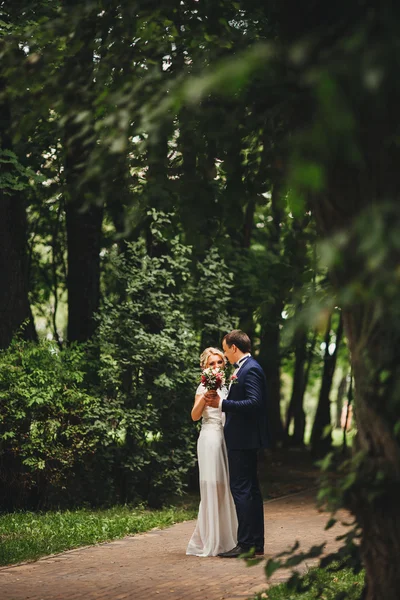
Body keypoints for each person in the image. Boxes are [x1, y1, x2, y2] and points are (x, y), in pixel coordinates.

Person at [204, 330, 268, 558]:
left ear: (233, 347)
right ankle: (255, 543)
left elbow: (254, 402)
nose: (225, 355)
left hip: (243, 440)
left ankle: (246, 544)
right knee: (251, 491)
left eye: (225, 349)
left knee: (242, 490)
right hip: (246, 439)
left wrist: (223, 404)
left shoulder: (249, 369)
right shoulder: (247, 367)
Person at [186, 347, 238, 557]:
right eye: (212, 364)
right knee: (211, 486)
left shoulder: (228, 386)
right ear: (204, 368)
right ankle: (209, 539)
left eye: (219, 362)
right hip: (209, 438)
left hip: (226, 438)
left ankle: (227, 538)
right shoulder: (202, 388)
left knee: (225, 487)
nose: (216, 366)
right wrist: (205, 396)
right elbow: (194, 416)